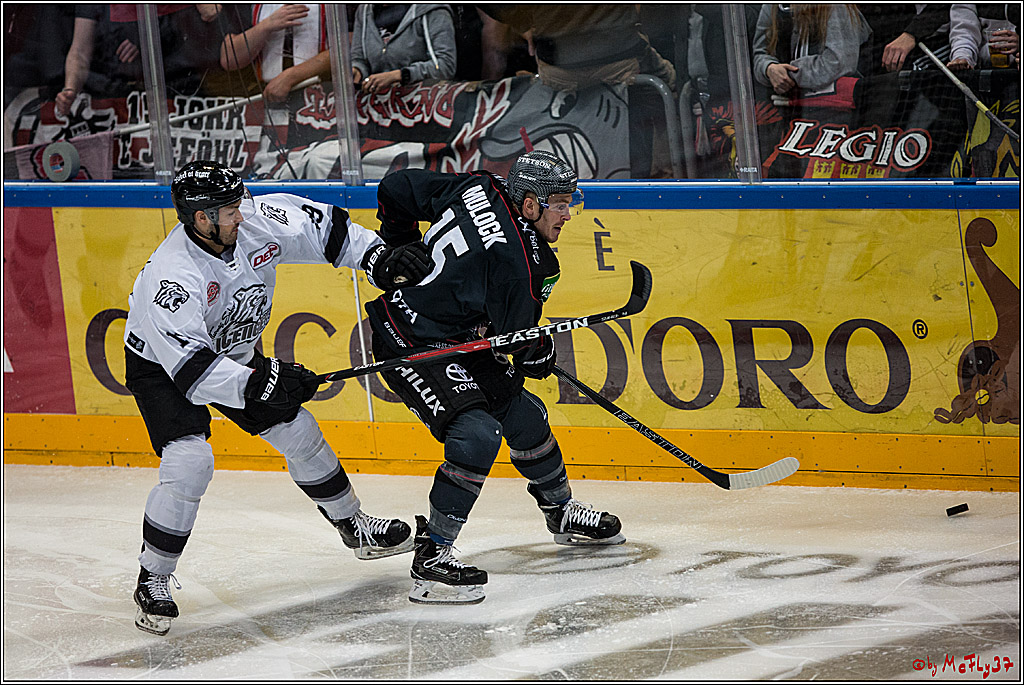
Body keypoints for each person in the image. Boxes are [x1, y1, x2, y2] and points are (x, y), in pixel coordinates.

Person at [123, 160, 435, 635]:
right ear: (202, 218)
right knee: (190, 461)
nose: (241, 214)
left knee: (299, 431)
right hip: (163, 367)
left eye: (238, 203)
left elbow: (325, 230)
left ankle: (355, 527)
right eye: (229, 210)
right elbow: (195, 374)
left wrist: (379, 259)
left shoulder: (252, 220)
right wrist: (265, 382)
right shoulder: (172, 278)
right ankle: (153, 576)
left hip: (230, 351)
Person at [363, 151, 625, 605]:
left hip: (457, 336)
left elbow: (396, 187)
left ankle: (561, 512)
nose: (567, 215)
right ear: (530, 204)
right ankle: (433, 554)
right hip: (409, 341)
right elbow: (519, 344)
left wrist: (398, 245)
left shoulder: (480, 186)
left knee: (526, 418)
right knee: (477, 434)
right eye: (560, 205)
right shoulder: (527, 265)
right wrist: (540, 353)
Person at [350, 4, 457, 94]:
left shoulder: (432, 9)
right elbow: (359, 59)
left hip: (424, 103)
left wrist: (400, 75)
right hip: (378, 106)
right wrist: (357, 71)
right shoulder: (365, 11)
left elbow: (445, 66)